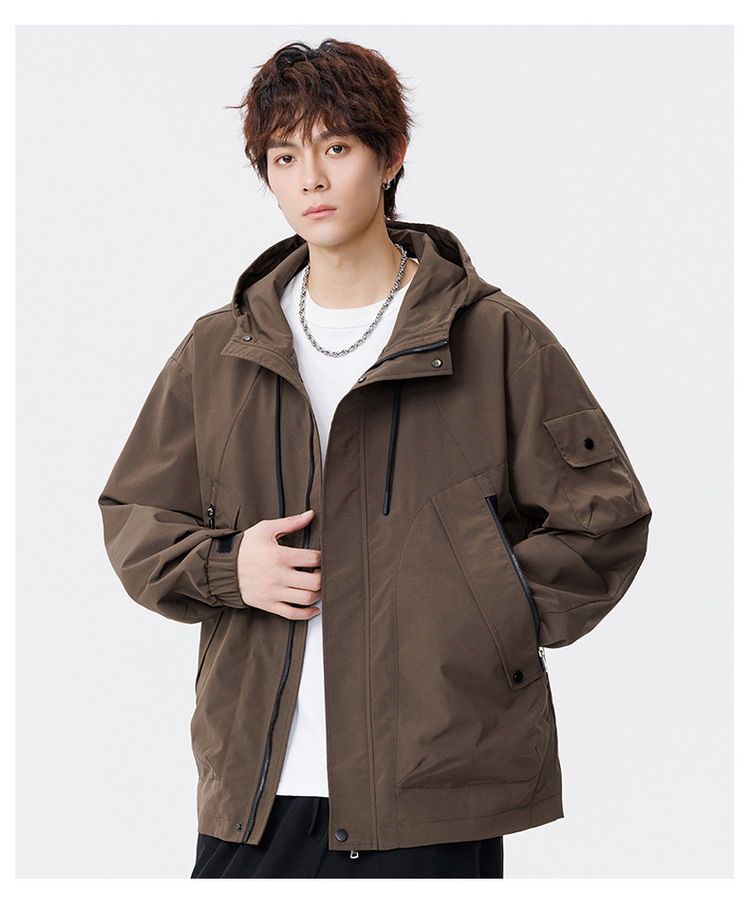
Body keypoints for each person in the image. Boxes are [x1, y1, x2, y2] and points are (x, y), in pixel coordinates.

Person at [98, 38, 652, 879]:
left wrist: (476, 614)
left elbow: (604, 520)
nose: (311, 179)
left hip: (433, 786)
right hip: (258, 790)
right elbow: (135, 518)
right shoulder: (220, 351)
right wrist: (228, 568)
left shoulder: (494, 338)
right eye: (285, 156)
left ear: (391, 156)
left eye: (336, 147)